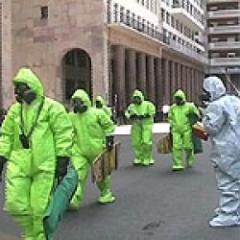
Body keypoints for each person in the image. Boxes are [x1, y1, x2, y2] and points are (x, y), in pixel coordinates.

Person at [0, 67, 73, 240]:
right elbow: (6, 136)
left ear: (33, 86)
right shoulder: (14, 111)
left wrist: (62, 159)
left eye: (22, 87)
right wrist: (1, 157)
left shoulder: (52, 108)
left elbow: (64, 133)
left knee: (39, 208)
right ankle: (31, 233)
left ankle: (38, 237)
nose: (18, 91)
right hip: (19, 164)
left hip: (45, 165)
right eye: (16, 87)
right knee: (15, 204)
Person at [202, 76, 240, 227]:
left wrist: (204, 118)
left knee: (227, 181)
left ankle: (228, 214)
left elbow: (212, 127)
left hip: (226, 148)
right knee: (236, 179)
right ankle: (234, 210)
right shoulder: (234, 100)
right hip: (236, 144)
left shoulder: (216, 106)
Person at [69, 89, 116, 210]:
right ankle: (74, 198)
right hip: (79, 150)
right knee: (77, 175)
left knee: (101, 174)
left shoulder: (97, 113)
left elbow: (108, 125)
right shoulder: (71, 117)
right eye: (74, 102)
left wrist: (109, 139)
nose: (76, 105)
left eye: (78, 102)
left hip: (97, 148)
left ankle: (106, 193)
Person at [168, 89, 199, 171]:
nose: (177, 100)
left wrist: (194, 118)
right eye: (176, 98)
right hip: (176, 130)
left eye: (179, 98)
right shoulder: (173, 108)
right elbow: (170, 118)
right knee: (176, 146)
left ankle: (189, 160)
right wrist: (171, 125)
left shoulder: (190, 106)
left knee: (188, 146)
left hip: (187, 129)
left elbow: (196, 115)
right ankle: (178, 164)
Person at [125, 90, 156, 166]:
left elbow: (152, 112)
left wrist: (146, 115)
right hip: (136, 125)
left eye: (137, 98)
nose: (136, 100)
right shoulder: (132, 106)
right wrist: (131, 116)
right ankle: (139, 157)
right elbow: (127, 113)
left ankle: (147, 158)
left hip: (146, 125)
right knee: (136, 142)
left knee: (146, 141)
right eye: (135, 98)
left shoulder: (148, 104)